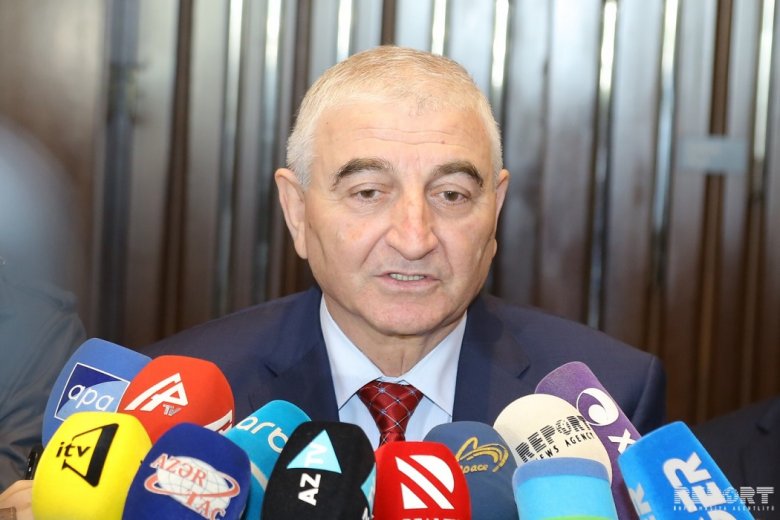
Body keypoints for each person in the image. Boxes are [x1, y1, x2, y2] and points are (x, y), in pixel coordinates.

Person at [145, 46, 666, 447]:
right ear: (297, 210)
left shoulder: (610, 397)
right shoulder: (171, 400)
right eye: (368, 193)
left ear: (495, 208)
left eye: (451, 195)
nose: (414, 240)